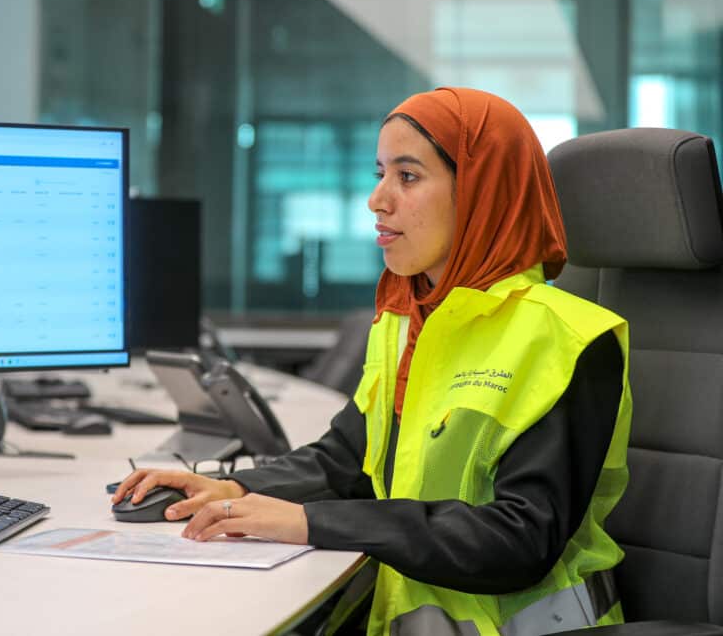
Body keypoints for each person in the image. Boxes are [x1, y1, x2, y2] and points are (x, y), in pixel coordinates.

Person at [113, 87, 632, 635]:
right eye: (379, 173)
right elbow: (347, 458)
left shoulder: (568, 339)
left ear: (481, 193)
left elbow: (520, 538)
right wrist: (238, 488)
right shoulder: (406, 320)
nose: (377, 199)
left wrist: (311, 523)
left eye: (407, 177)